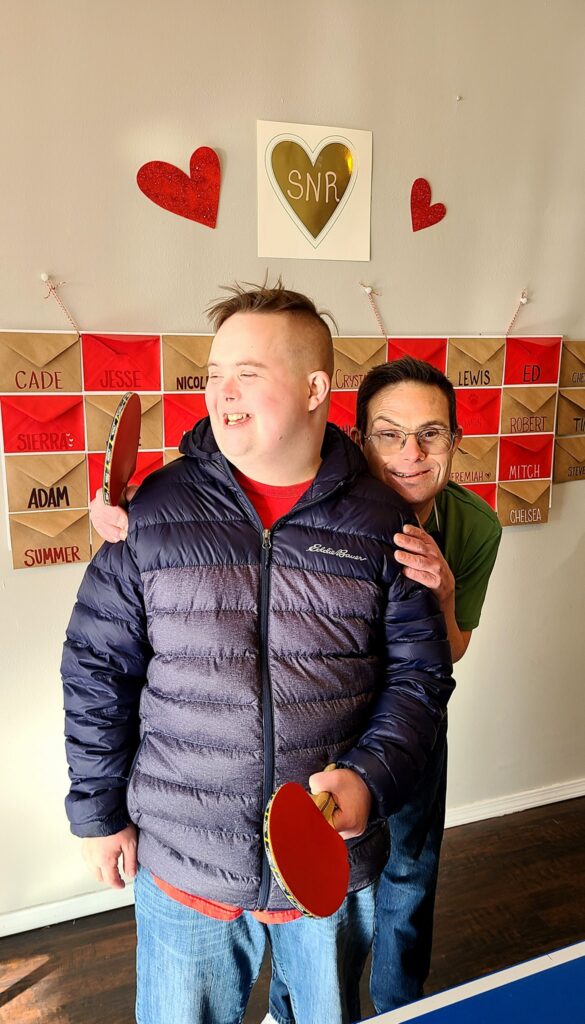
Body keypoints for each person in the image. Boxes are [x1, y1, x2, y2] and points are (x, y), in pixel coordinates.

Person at [63, 284, 454, 1024]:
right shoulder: (151, 512)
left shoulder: (381, 522)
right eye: (213, 372)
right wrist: (95, 809)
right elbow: (95, 667)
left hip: (327, 868)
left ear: (314, 389)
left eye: (246, 371)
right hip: (183, 862)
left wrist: (369, 780)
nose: (221, 390)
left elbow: (419, 679)